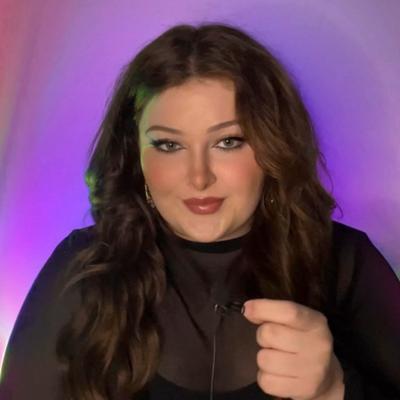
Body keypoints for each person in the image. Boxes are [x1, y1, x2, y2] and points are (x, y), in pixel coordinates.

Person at [0, 22, 399, 400]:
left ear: (274, 147)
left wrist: (334, 390)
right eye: (169, 145)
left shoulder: (346, 264)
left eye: (228, 142)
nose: (199, 177)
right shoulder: (83, 267)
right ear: (135, 156)